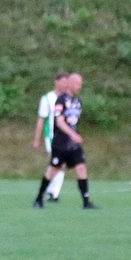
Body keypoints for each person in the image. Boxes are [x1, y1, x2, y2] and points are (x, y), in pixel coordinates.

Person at [33, 73, 96, 209]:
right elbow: (60, 122)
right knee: (54, 170)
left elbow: (74, 119)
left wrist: (74, 136)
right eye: (78, 84)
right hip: (61, 144)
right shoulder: (60, 100)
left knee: (81, 168)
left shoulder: (78, 102)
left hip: (73, 145)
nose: (80, 87)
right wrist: (73, 134)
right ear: (71, 84)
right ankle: (39, 198)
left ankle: (86, 202)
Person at [32, 72, 69, 203]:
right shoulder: (47, 99)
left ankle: (50, 191)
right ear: (56, 82)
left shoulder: (68, 99)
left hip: (66, 137)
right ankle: (53, 193)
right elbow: (41, 120)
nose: (66, 84)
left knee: (58, 164)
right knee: (60, 164)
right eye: (64, 81)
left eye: (67, 82)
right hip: (52, 137)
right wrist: (37, 139)